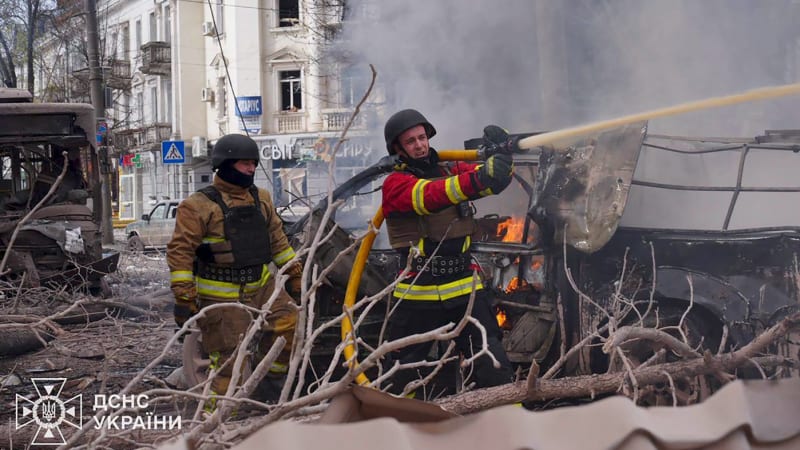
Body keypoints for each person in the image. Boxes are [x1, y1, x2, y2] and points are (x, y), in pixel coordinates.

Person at [381, 109, 515, 395]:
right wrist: (479, 178)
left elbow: (493, 181)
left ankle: (507, 418)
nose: (420, 145)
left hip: (464, 286)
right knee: (403, 371)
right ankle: (394, 420)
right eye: (411, 141)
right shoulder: (395, 184)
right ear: (398, 149)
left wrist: (503, 157)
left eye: (422, 138)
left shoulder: (448, 169)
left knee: (491, 361)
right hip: (419, 292)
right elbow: (432, 195)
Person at [167, 133, 302, 402]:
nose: (251, 169)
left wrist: (294, 275)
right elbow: (180, 252)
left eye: (253, 163)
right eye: (245, 164)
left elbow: (278, 242)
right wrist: (184, 296)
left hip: (262, 287)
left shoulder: (262, 198)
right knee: (230, 363)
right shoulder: (197, 206)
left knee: (289, 324)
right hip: (222, 297)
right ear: (226, 165)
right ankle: (216, 419)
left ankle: (267, 384)